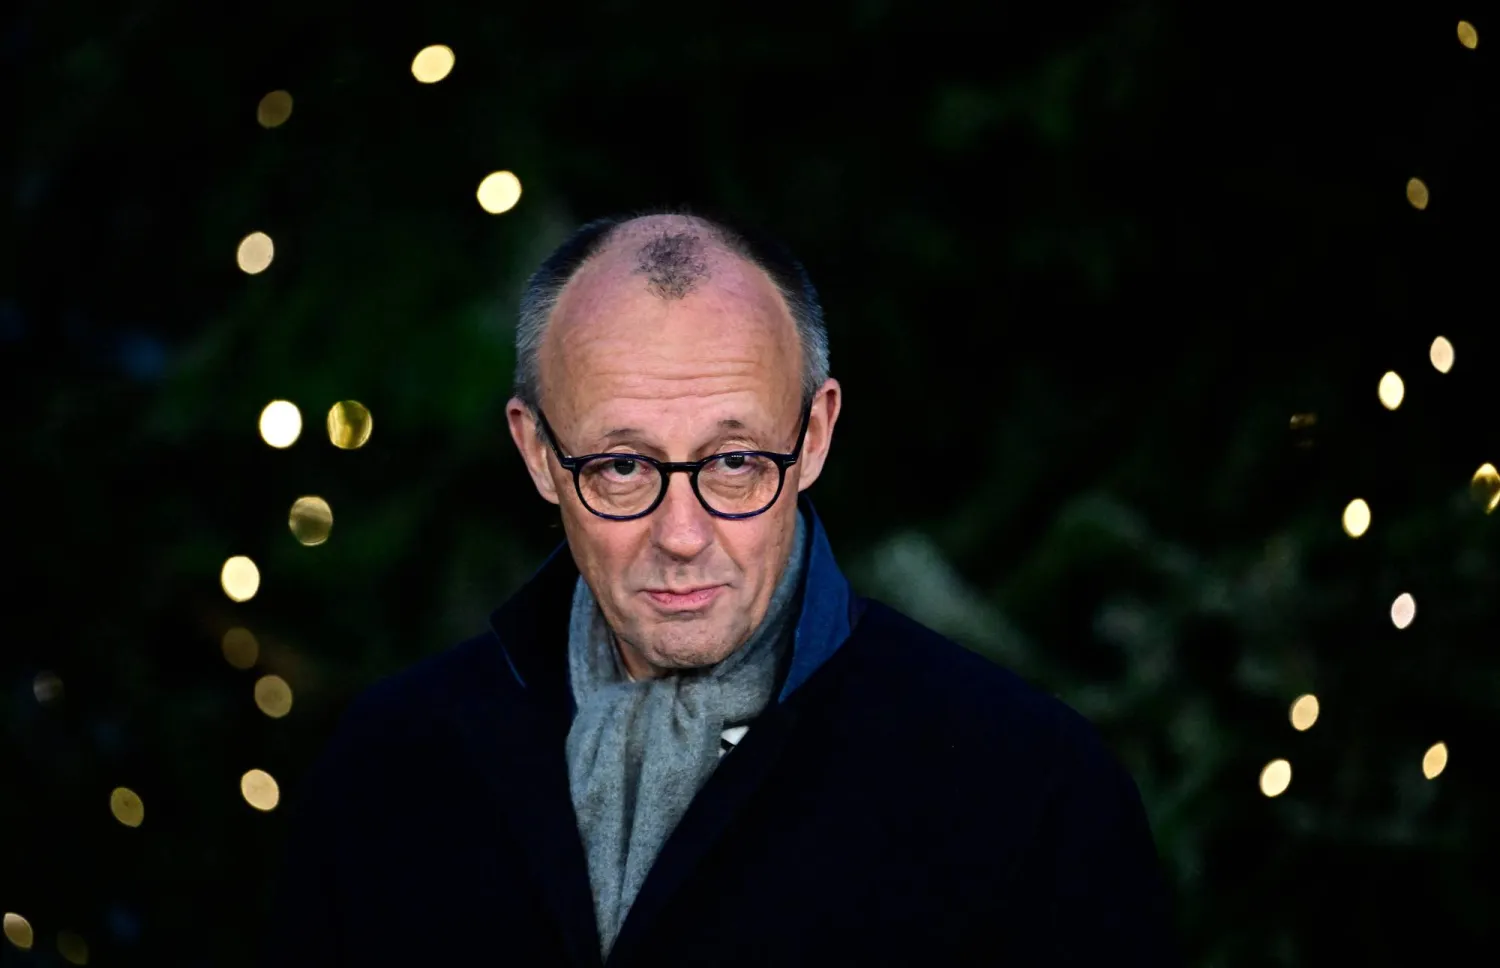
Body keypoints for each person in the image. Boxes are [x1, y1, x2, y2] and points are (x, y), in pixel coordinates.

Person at [262, 211, 1178, 966]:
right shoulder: (389, 767)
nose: (684, 535)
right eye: (621, 467)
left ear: (814, 435)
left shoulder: (1029, 788)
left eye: (736, 462)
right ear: (539, 453)